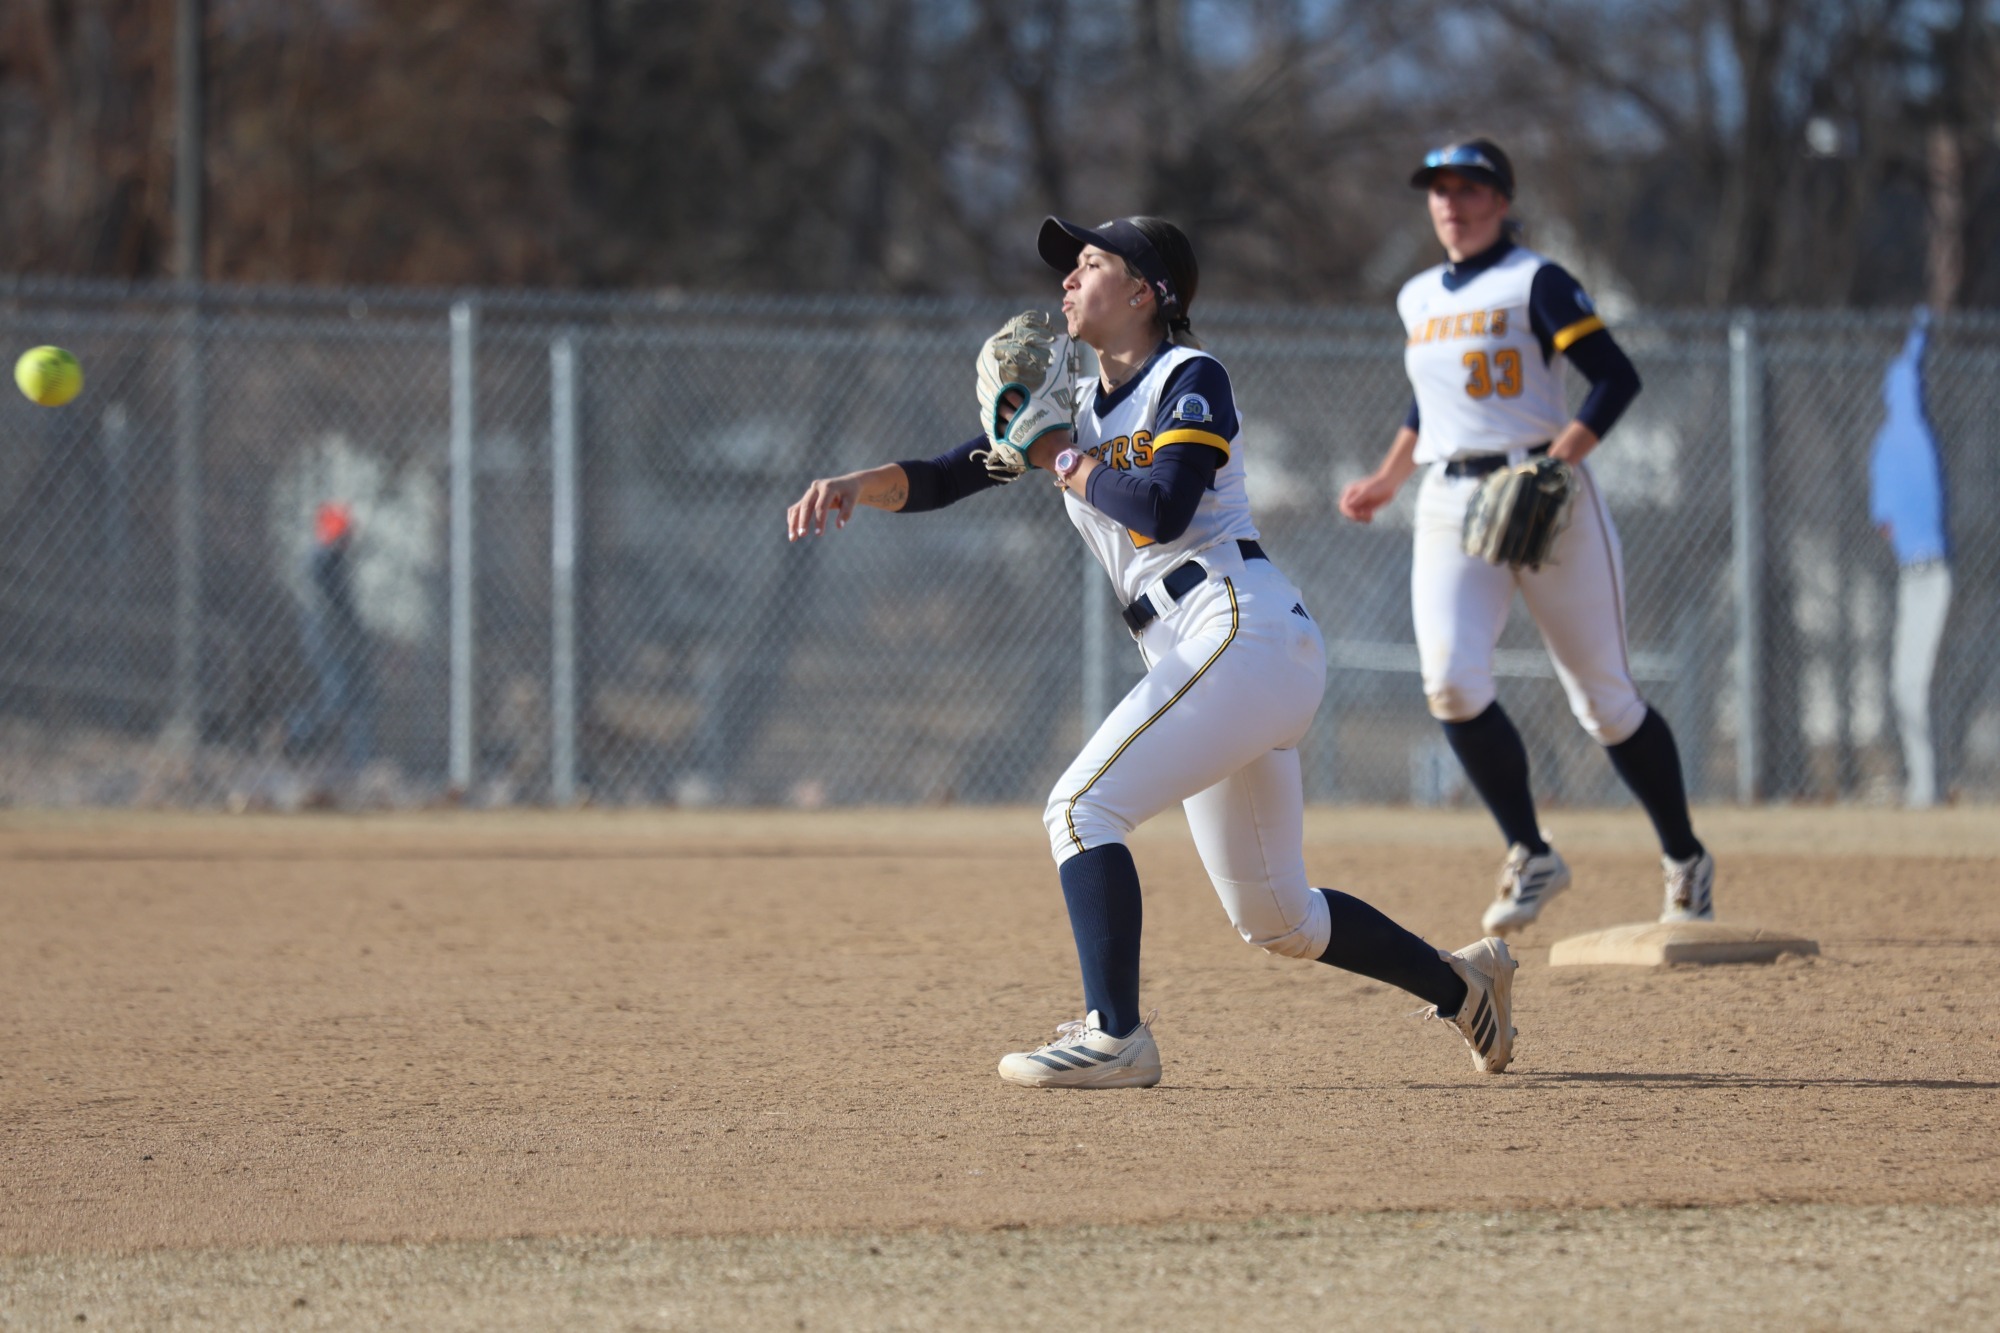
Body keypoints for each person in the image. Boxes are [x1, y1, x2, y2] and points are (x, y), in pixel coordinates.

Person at [786, 215, 1519, 1086]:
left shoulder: (1188, 376)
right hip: (1207, 655)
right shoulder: (1072, 405)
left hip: (1239, 624)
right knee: (1278, 916)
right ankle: (1465, 986)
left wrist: (1059, 455)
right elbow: (949, 473)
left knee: (1079, 808)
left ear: (1144, 292)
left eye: (1089, 262)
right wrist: (857, 485)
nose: (1067, 279)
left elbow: (1165, 507)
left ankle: (1115, 1033)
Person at [1338, 139, 1713, 935]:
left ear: (1502, 201)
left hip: (1545, 493)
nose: (1452, 203)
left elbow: (1615, 375)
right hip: (1449, 498)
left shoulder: (1534, 280)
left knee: (1603, 698)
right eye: (1440, 190)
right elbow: (1432, 400)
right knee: (1451, 683)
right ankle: (1531, 850)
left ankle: (1685, 857)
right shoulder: (1415, 296)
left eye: (1469, 188)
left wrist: (1556, 462)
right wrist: (1389, 476)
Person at [1869, 310, 1953, 808]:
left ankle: (1928, 785)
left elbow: (1884, 521)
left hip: (1932, 572)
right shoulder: (1903, 442)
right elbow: (1885, 519)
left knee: (1915, 683)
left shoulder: (1906, 439)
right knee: (1907, 684)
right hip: (1916, 574)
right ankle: (1924, 784)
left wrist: (1923, 326)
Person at [285, 502, 377, 777]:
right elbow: (328, 603)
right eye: (342, 533)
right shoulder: (322, 557)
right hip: (327, 639)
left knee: (354, 698)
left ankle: (357, 762)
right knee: (337, 698)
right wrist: (349, 629)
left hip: (341, 640)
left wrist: (357, 632)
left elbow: (345, 606)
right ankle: (297, 734)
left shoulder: (335, 558)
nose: (346, 539)